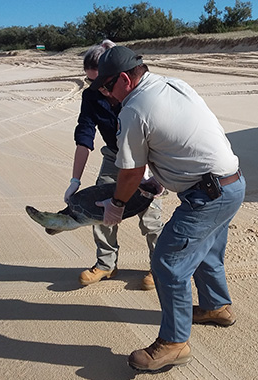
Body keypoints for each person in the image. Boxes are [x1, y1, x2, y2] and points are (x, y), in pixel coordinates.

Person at [91, 46, 246, 372]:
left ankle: (174, 343)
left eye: (106, 87)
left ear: (123, 79)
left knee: (167, 263)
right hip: (232, 182)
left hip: (208, 195)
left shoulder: (133, 110)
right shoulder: (173, 84)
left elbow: (131, 171)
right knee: (205, 251)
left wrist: (116, 205)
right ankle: (216, 306)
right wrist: (165, 174)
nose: (106, 95)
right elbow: (187, 135)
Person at [64, 40, 164, 289]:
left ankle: (159, 267)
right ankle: (106, 264)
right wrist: (75, 180)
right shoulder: (91, 97)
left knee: (151, 217)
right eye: (91, 82)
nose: (99, 88)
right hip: (113, 156)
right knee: (101, 209)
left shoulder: (134, 93)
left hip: (147, 155)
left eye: (102, 82)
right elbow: (85, 136)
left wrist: (151, 169)